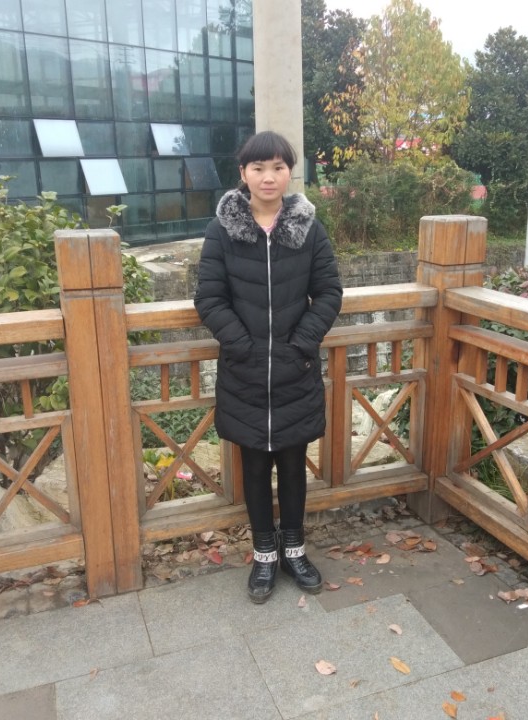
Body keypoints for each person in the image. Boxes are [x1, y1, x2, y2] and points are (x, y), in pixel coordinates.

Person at [194, 131, 343, 603]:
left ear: (289, 173)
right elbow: (209, 298)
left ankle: (294, 550)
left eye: (278, 167)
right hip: (245, 372)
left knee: (295, 465)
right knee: (255, 467)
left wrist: (301, 345)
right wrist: (244, 347)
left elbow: (329, 292)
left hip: (296, 370)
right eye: (258, 167)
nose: (268, 176)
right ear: (243, 173)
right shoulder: (222, 230)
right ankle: (264, 553)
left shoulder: (308, 228)